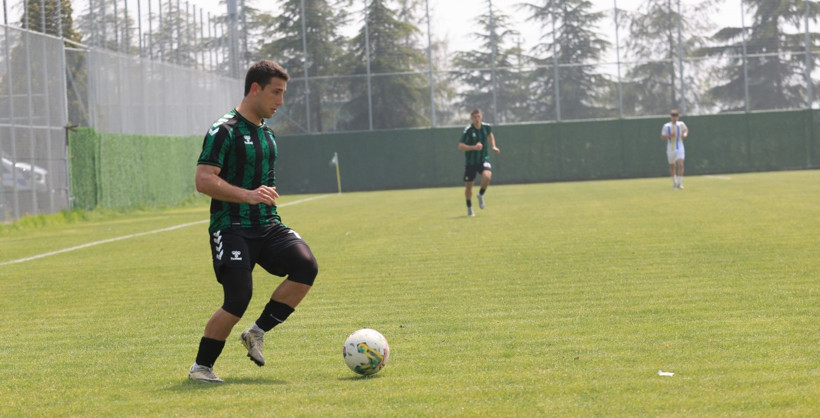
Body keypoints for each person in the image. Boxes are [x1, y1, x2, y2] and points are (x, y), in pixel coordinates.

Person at [188, 60, 318, 383]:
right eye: (276, 92)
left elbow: (265, 189)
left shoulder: (267, 135)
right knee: (238, 298)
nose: (281, 101)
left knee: (306, 266)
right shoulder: (224, 130)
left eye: (284, 93)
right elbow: (203, 180)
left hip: (267, 225)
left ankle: (256, 332)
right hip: (231, 227)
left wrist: (261, 200)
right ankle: (201, 367)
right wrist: (246, 195)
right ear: (255, 89)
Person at [458, 109, 500, 216]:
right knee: (469, 187)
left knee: (487, 176)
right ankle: (469, 207)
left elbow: (490, 135)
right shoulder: (468, 130)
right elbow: (460, 146)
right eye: (475, 117)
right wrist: (474, 147)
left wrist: (494, 146)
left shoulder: (486, 127)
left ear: (481, 117)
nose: (477, 119)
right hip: (471, 162)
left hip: (483, 159)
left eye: (478, 116)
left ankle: (480, 195)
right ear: (471, 118)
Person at [661, 109, 689, 189]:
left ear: (678, 117)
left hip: (680, 147)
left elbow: (686, 130)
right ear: (671, 117)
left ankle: (679, 183)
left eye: (676, 116)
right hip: (671, 148)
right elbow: (662, 137)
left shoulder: (681, 124)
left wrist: (685, 134)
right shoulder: (666, 126)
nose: (674, 118)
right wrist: (670, 136)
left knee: (680, 164)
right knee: (672, 166)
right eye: (673, 116)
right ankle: (675, 183)